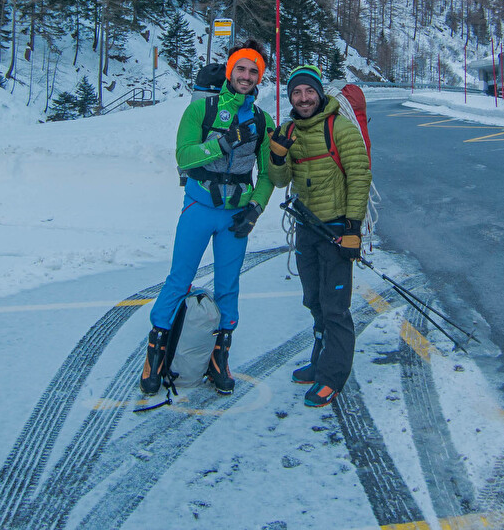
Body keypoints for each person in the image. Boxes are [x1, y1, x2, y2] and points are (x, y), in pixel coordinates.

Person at [140, 41, 274, 396]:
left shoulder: (262, 119)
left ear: (260, 77)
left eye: (253, 71)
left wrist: (256, 208)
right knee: (179, 279)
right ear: (230, 71)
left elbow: (270, 173)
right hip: (198, 208)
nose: (246, 76)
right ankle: (154, 356)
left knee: (228, 287)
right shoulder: (202, 110)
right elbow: (184, 157)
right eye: (241, 69)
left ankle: (219, 359)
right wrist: (223, 143)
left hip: (236, 216)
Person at [267, 65, 372, 408]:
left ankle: (332, 377)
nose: (303, 98)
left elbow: (359, 176)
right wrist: (277, 155)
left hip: (338, 229)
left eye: (308, 91)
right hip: (307, 228)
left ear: (319, 93)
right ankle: (320, 361)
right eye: (296, 93)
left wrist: (354, 228)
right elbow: (281, 181)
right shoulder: (288, 130)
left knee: (335, 308)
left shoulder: (339, 128)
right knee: (314, 300)